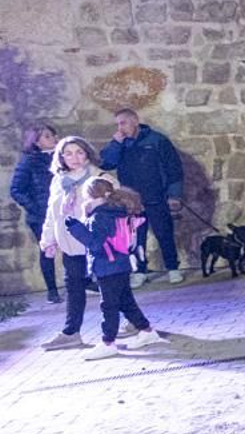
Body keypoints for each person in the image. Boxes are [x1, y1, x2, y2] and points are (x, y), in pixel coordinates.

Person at [65, 179, 166, 359]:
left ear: (91, 197)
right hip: (121, 264)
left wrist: (76, 228)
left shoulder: (100, 217)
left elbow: (95, 244)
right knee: (126, 301)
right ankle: (146, 331)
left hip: (107, 267)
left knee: (109, 305)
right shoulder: (117, 212)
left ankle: (108, 342)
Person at [98, 108, 184, 287]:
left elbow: (173, 168)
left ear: (135, 121)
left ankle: (173, 268)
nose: (120, 128)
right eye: (118, 124)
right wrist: (115, 144)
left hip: (156, 196)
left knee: (164, 234)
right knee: (136, 238)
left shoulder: (157, 140)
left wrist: (174, 194)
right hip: (131, 201)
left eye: (123, 123)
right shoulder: (120, 144)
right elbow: (106, 163)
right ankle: (140, 270)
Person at [37, 138, 103, 349]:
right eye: (69, 153)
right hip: (70, 244)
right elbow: (51, 213)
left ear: (87, 154)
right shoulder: (59, 181)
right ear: (61, 157)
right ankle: (71, 332)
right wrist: (48, 240)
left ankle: (137, 324)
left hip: (95, 242)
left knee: (110, 286)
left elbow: (113, 205)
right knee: (74, 287)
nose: (75, 158)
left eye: (79, 152)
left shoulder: (99, 177)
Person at [9, 123, 61, 303]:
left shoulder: (61, 157)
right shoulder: (29, 161)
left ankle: (84, 282)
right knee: (47, 250)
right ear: (36, 142)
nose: (53, 138)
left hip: (63, 211)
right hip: (41, 215)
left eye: (53, 135)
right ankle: (52, 291)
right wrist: (36, 208)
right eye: (47, 136)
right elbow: (16, 189)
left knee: (76, 247)